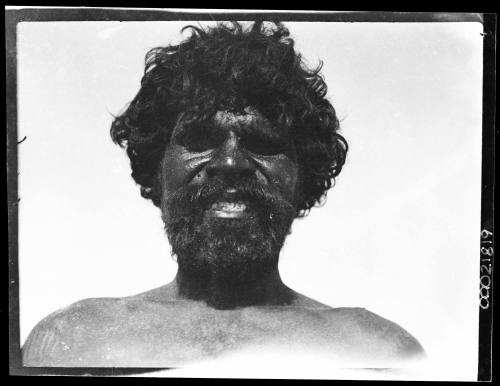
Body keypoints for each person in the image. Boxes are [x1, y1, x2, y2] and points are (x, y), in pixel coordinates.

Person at [22, 21, 425, 368]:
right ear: (156, 171)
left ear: (303, 178)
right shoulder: (74, 340)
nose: (231, 163)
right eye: (199, 139)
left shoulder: (375, 349)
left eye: (262, 142)